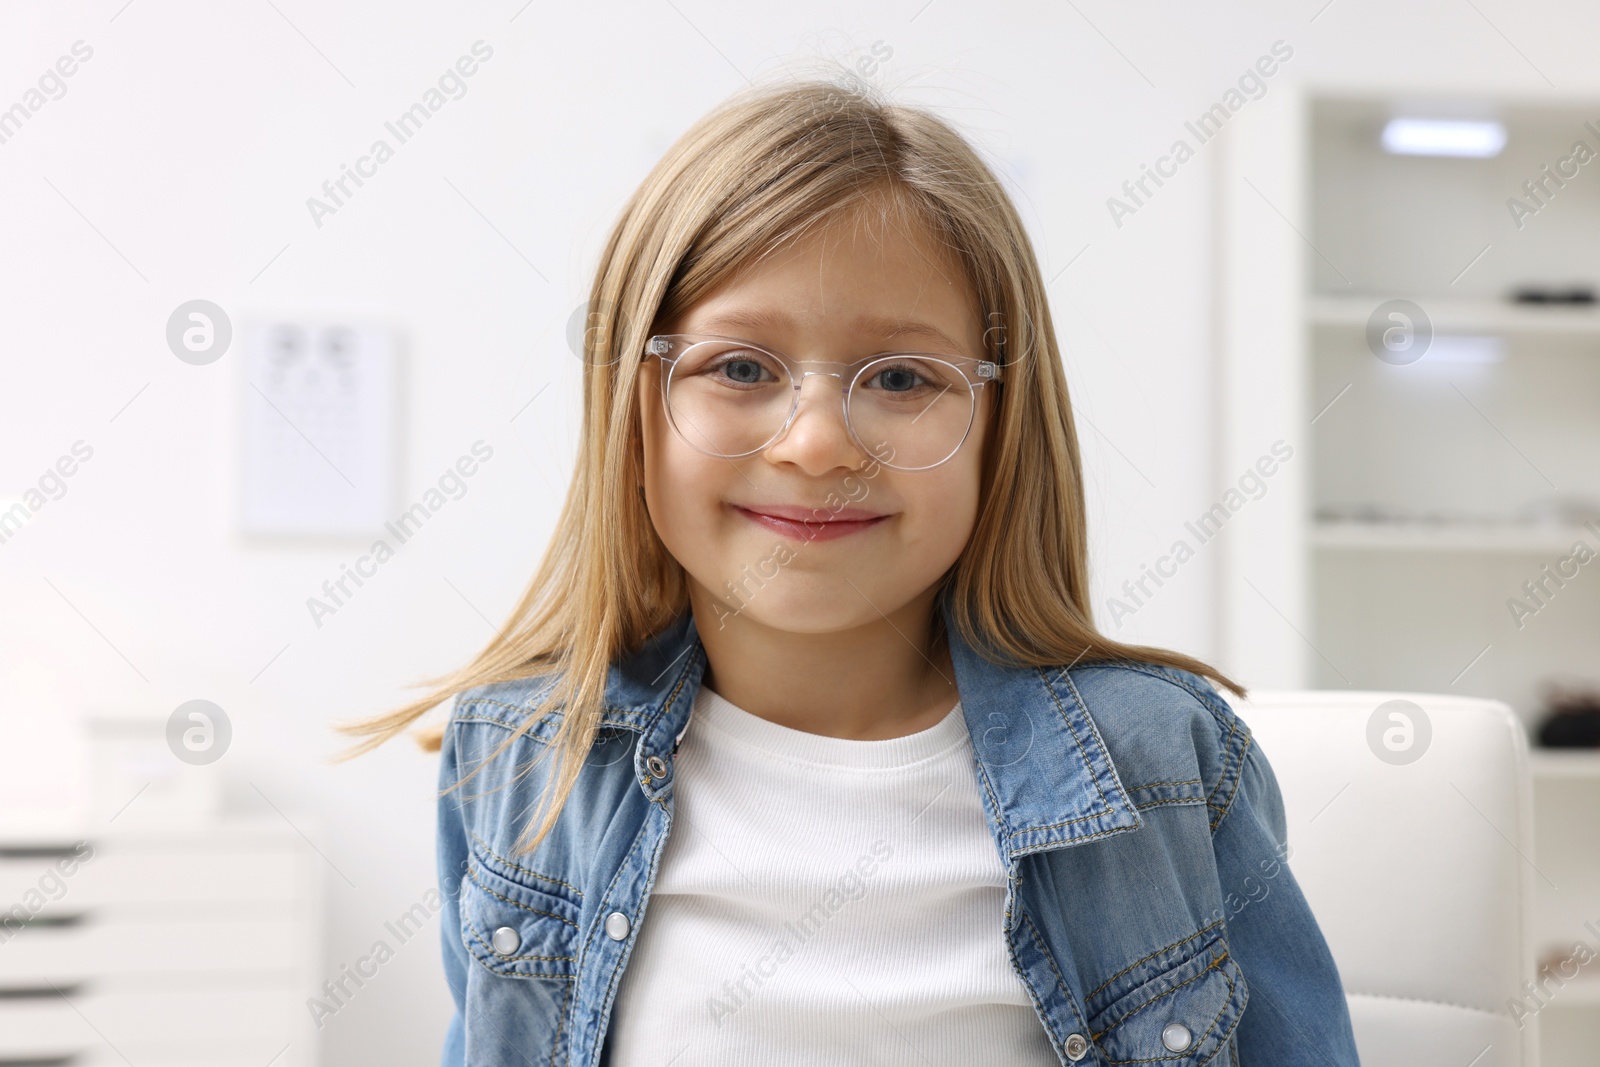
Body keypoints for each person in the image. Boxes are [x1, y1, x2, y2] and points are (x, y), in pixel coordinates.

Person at [341, 74, 1360, 1067]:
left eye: (903, 377)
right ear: (635, 406)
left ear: (997, 425)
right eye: (740, 367)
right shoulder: (523, 758)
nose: (818, 442)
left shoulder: (1166, 761)